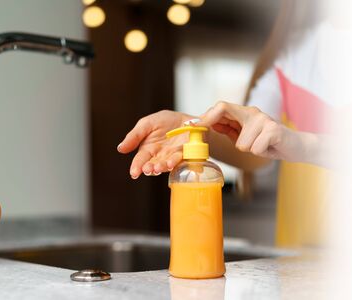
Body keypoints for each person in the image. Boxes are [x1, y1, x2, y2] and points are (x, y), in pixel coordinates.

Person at [117, 0, 351, 248]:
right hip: (300, 260)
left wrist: (304, 144)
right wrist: (196, 131)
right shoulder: (292, 58)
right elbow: (255, 149)